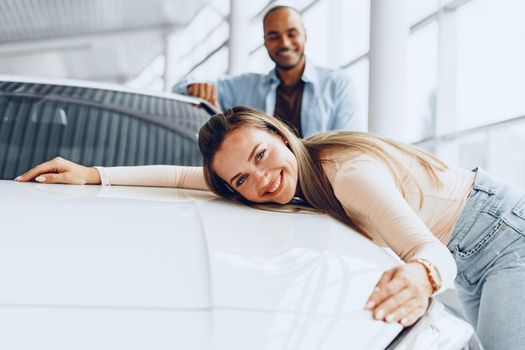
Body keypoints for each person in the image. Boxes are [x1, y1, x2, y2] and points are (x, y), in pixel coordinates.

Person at [15, 106, 525, 350]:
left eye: (262, 154)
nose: (262, 180)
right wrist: (93, 174)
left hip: (500, 237)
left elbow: (431, 251)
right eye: (242, 178)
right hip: (470, 244)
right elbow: (179, 177)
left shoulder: (347, 174)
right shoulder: (273, 175)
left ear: (282, 134)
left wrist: (419, 277)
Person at [172, 5, 363, 137]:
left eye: (292, 33)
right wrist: (192, 88)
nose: (285, 43)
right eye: (274, 36)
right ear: (265, 42)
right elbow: (178, 89)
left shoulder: (337, 83)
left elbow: (348, 145)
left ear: (305, 34)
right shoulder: (246, 86)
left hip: (320, 186)